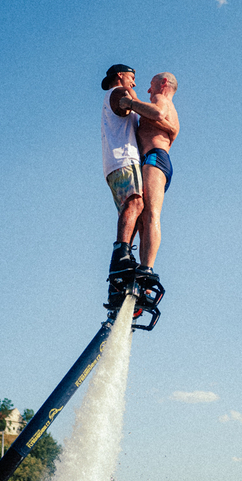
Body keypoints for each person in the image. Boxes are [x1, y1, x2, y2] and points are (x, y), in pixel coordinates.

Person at [117, 72, 179, 284]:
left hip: (155, 158)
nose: (148, 90)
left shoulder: (161, 100)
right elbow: (164, 123)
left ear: (163, 83)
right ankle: (142, 266)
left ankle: (147, 268)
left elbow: (158, 113)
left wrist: (130, 103)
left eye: (151, 85)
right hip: (155, 160)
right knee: (144, 217)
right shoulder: (172, 112)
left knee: (151, 213)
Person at [100, 64, 144, 305]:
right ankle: (121, 254)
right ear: (120, 76)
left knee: (134, 210)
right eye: (132, 78)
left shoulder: (112, 95)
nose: (134, 83)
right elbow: (127, 107)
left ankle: (118, 280)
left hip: (114, 163)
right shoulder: (118, 93)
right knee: (135, 202)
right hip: (124, 158)